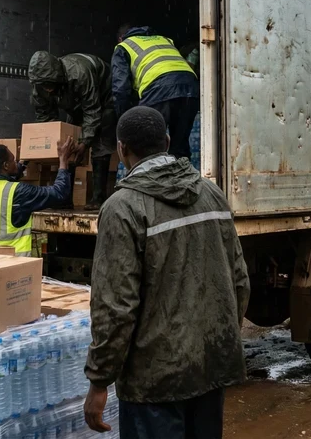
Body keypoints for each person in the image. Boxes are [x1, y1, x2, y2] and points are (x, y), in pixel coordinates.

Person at [84, 106, 249, 438]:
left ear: (121, 149)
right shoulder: (211, 195)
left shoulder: (122, 209)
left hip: (153, 385)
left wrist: (99, 381)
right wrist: (214, 343)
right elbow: (238, 281)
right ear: (169, 141)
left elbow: (116, 308)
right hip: (208, 370)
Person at [29, 51, 117, 210]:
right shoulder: (39, 86)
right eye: (44, 86)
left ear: (58, 75)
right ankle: (64, 197)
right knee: (67, 142)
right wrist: (51, 143)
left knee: (100, 142)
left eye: (50, 84)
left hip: (104, 98)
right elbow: (44, 117)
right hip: (76, 104)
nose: (48, 89)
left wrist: (84, 143)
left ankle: (98, 197)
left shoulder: (80, 74)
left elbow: (92, 110)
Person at [0, 138, 78, 255]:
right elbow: (59, 192)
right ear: (6, 165)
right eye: (13, 160)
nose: (16, 162)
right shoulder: (20, 191)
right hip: (14, 264)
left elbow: (6, 179)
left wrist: (26, 158)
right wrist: (63, 160)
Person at [112, 24, 199, 160]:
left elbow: (121, 89)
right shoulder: (164, 39)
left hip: (159, 89)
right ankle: (181, 180)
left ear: (120, 38)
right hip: (190, 87)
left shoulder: (123, 46)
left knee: (145, 146)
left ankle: (149, 180)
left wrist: (126, 121)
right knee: (179, 148)